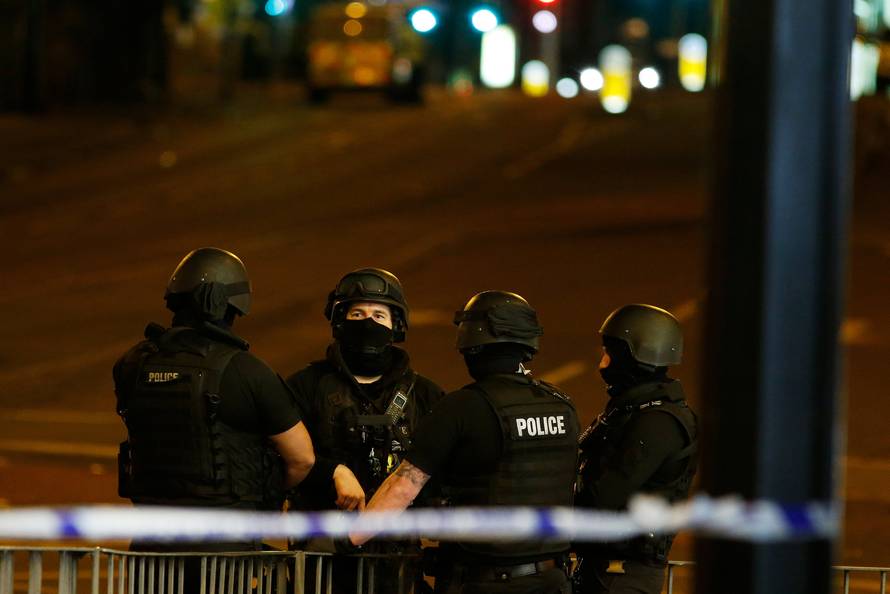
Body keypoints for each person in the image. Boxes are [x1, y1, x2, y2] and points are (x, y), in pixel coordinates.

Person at [349, 290, 579, 594]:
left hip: (484, 582)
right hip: (553, 580)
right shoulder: (562, 405)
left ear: (471, 345)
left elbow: (403, 487)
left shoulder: (461, 407)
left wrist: (350, 538)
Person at [114, 247, 315, 555]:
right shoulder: (247, 371)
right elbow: (302, 458)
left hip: (151, 546)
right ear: (231, 306)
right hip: (225, 551)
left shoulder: (132, 365)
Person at [286, 267, 445, 593]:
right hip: (320, 559)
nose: (368, 323)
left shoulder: (426, 395)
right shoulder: (306, 387)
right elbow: (281, 460)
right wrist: (331, 471)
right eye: (357, 313)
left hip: (398, 564)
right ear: (339, 321)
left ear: (395, 325)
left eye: (378, 315)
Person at [574, 304, 699, 594]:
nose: (603, 365)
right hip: (607, 567)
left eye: (610, 354)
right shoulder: (632, 410)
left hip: (623, 574)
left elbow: (604, 495)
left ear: (635, 358)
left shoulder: (657, 422)